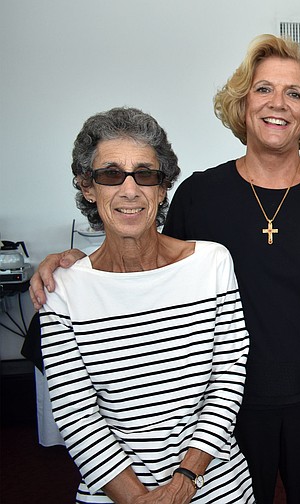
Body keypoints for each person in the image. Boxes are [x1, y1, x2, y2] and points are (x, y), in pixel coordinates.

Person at [31, 35, 300, 504]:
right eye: (263, 89)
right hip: (218, 412)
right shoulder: (198, 195)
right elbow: (151, 263)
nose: (277, 103)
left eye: (294, 93)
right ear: (243, 104)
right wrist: (77, 263)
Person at [39, 107, 254, 503]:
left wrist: (185, 480)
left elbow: (227, 381)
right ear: (88, 187)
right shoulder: (61, 290)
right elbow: (76, 414)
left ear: (162, 187)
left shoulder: (211, 263)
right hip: (114, 493)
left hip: (215, 486)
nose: (129, 189)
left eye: (145, 174)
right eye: (110, 174)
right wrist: (137, 499)